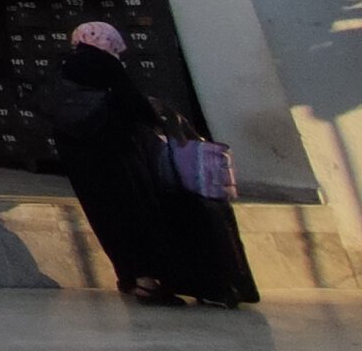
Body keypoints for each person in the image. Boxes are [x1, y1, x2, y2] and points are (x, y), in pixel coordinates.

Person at [48, 21, 258, 308]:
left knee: (108, 219)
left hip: (83, 165)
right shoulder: (105, 66)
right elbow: (134, 105)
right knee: (137, 215)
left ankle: (128, 277)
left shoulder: (62, 69)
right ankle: (148, 283)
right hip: (120, 158)